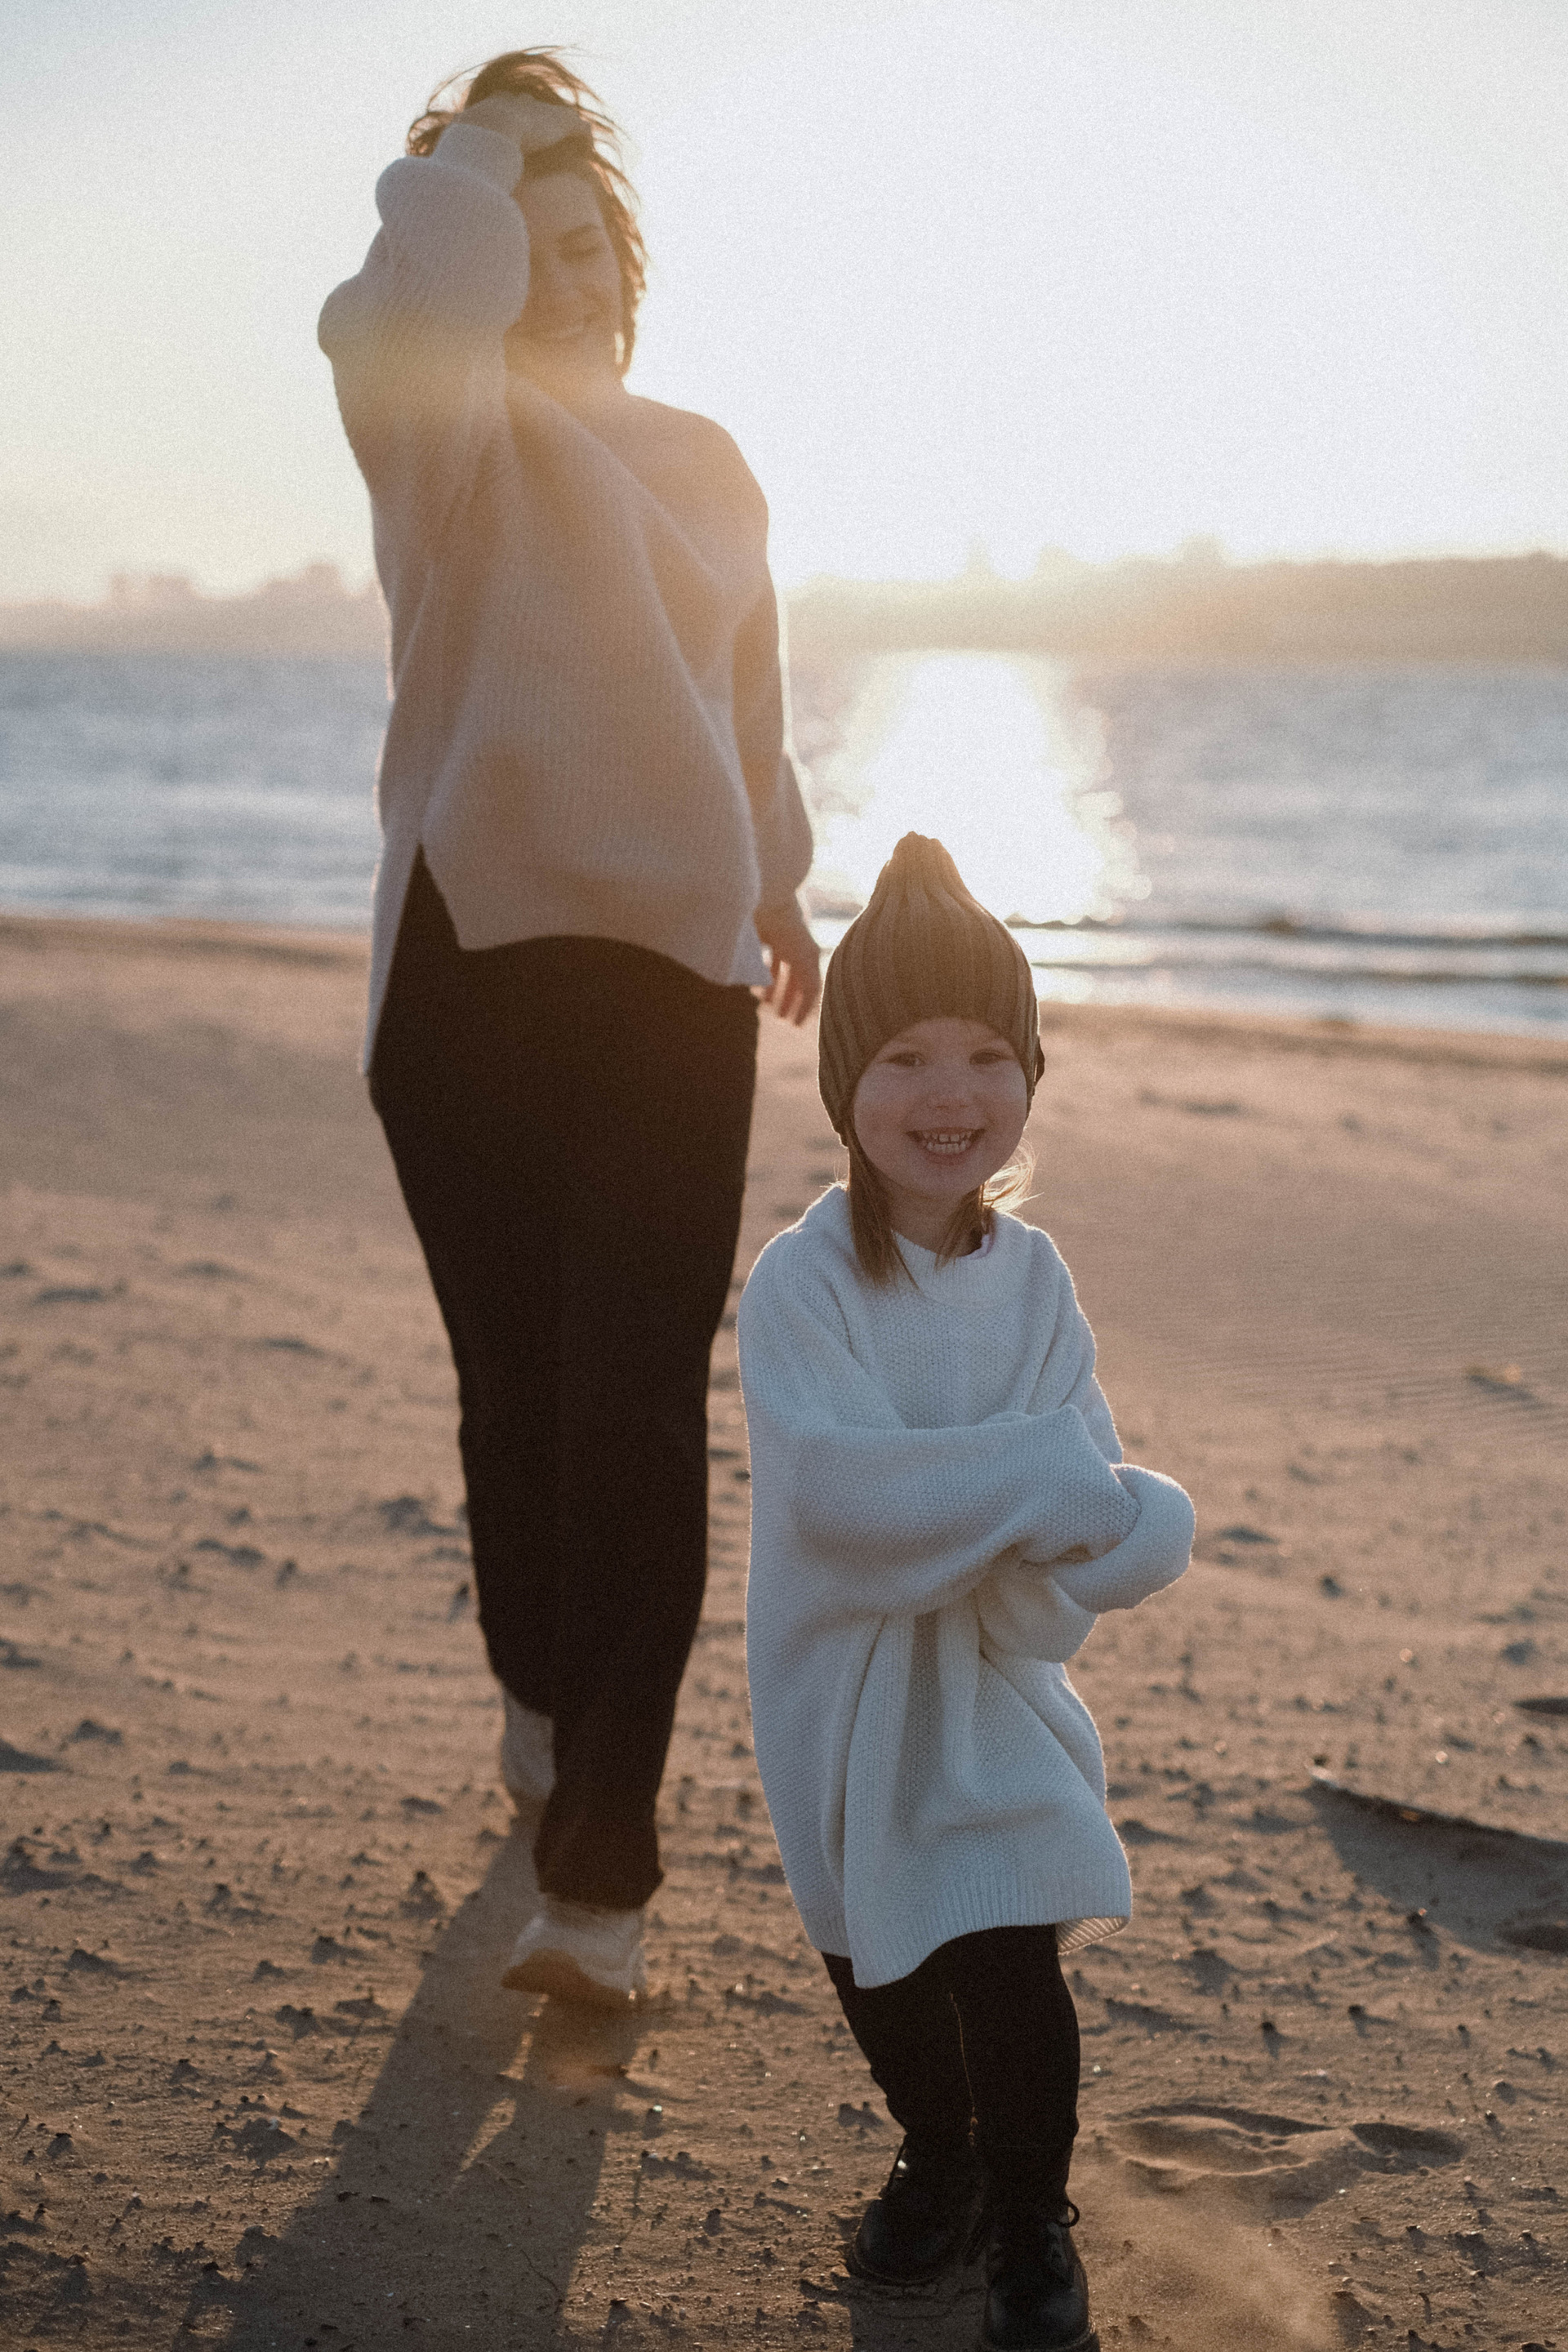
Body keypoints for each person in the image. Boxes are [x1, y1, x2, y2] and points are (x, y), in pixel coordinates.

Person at [318, 47, 818, 2007]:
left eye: (592, 228)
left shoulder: (711, 459)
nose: (572, 265)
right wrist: (490, 135)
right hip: (472, 975)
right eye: (528, 238)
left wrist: (777, 878)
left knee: (638, 1408)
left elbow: (745, 702)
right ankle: (536, 1691)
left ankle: (602, 1870)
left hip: (677, 983)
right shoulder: (438, 428)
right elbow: (414, 284)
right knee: (517, 1396)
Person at [737, 835, 1194, 2352]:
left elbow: (1090, 1492)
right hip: (840, 1687)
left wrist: (1132, 1526)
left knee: (1009, 1953)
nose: (953, 1093)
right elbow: (841, 1498)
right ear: (846, 1085)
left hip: (996, 1685)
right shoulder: (802, 1284)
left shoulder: (1036, 1280)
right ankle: (938, 2154)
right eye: (909, 1057)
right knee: (877, 1958)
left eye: (991, 1055)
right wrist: (1037, 1484)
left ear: (1031, 1076)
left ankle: (1032, 2217)